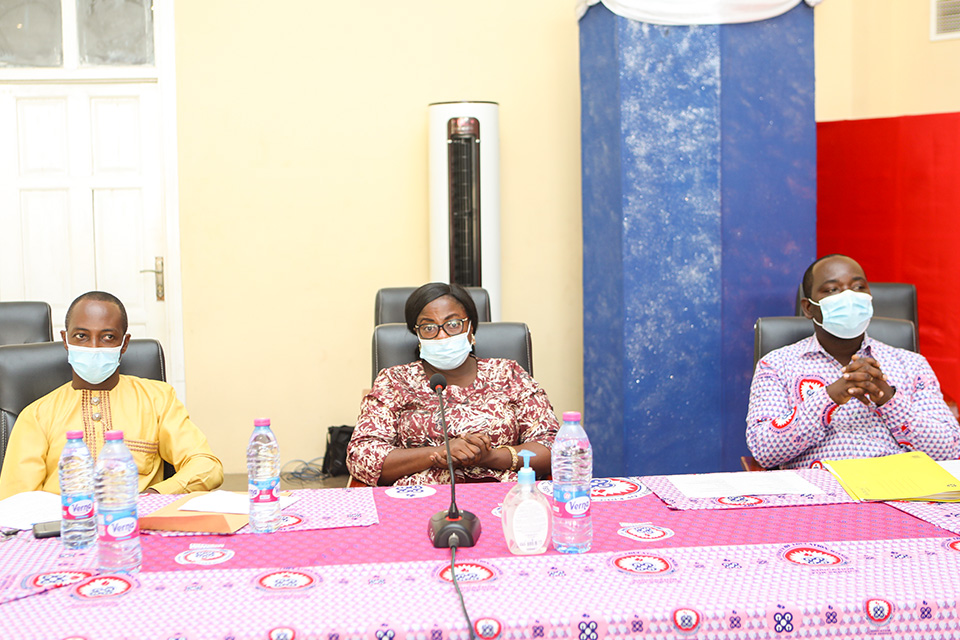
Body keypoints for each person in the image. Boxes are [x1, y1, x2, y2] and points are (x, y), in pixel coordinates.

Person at [0, 291, 223, 499]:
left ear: (124, 343)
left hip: (138, 527)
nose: (94, 347)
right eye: (81, 336)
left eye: (107, 337)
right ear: (66, 341)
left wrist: (153, 497)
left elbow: (206, 466)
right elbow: (17, 501)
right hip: (63, 533)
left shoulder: (158, 399)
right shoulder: (37, 415)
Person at [746, 255, 960, 469]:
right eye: (832, 290)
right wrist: (829, 398)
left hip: (897, 490)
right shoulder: (776, 365)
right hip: (820, 493)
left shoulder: (911, 364)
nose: (849, 297)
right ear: (808, 308)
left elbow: (950, 450)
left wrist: (887, 398)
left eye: (858, 287)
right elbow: (764, 450)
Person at [347, 283, 560, 486]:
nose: (442, 335)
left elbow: (552, 445)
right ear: (418, 335)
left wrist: (490, 457)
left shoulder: (508, 374)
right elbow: (361, 454)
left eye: (453, 324)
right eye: (429, 327)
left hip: (505, 497)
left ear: (471, 329)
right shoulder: (394, 381)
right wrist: (438, 453)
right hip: (420, 502)